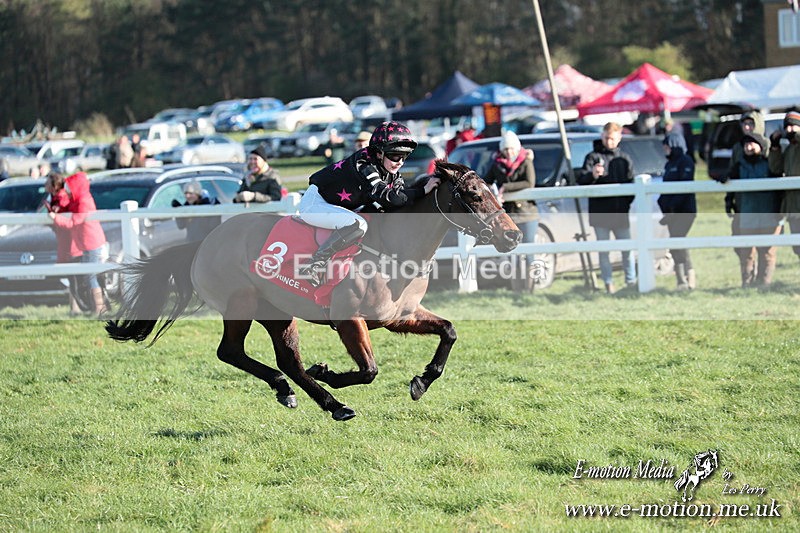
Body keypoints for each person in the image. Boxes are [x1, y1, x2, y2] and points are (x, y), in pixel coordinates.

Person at [297, 120, 440, 286]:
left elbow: (399, 201)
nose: (400, 161)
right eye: (395, 155)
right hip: (316, 203)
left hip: (343, 204)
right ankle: (314, 264)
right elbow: (388, 196)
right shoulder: (364, 163)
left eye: (404, 156)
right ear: (379, 153)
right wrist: (422, 191)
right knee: (359, 225)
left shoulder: (392, 173)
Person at [577, 122, 635, 293]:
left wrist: (624, 204)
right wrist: (592, 175)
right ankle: (609, 283)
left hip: (620, 212)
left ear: (619, 138)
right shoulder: (592, 157)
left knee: (627, 249)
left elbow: (632, 184)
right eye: (606, 138)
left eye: (612, 138)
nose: (609, 142)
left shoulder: (625, 159)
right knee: (604, 251)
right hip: (600, 213)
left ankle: (631, 282)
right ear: (602, 136)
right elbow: (582, 180)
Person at [46, 170, 109, 316]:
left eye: (69, 187)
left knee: (91, 277)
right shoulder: (78, 200)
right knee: (88, 277)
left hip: (93, 245)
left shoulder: (84, 203)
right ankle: (97, 308)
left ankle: (101, 309)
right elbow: (68, 208)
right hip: (86, 246)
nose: (66, 190)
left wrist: (55, 217)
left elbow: (73, 223)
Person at [484, 130, 538, 291]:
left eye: (511, 149)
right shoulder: (497, 164)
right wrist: (491, 190)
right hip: (508, 215)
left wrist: (506, 187)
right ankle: (516, 288)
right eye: (506, 149)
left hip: (527, 213)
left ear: (517, 148)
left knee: (529, 252)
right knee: (512, 252)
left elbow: (529, 182)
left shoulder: (526, 162)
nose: (509, 152)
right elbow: (486, 180)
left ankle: (531, 288)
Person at [733, 132, 782, 287]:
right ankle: (746, 283)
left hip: (769, 213)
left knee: (767, 251)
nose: (748, 147)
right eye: (746, 145)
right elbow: (729, 181)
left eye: (751, 144)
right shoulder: (739, 166)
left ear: (760, 146)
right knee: (746, 251)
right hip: (748, 213)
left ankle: (764, 283)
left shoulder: (769, 164)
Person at [658, 132, 697, 290]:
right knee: (676, 243)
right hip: (671, 212)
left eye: (667, 146)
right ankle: (682, 280)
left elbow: (685, 187)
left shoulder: (686, 161)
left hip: (684, 210)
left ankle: (687, 278)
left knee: (678, 241)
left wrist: (673, 206)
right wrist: (663, 204)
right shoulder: (669, 164)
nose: (665, 149)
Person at [768, 110, 800, 261]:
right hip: (793, 207)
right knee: (798, 247)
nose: (789, 130)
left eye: (793, 127)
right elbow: (776, 168)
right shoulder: (790, 149)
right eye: (787, 127)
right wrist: (775, 147)